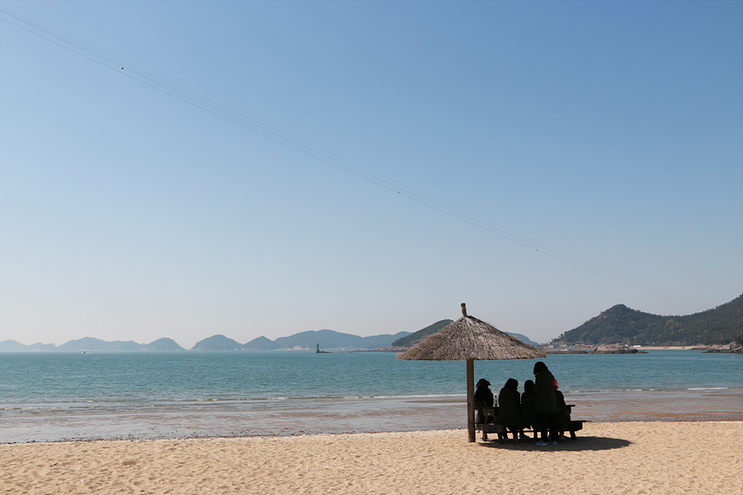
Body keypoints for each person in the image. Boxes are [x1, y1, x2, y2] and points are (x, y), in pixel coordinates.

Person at [532, 361, 558, 446]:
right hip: (552, 400)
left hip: (543, 401)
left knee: (543, 422)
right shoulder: (550, 375)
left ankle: (544, 439)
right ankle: (553, 439)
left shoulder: (540, 376)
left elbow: (536, 389)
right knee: (552, 421)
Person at [496, 378, 522, 443]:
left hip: (503, 416)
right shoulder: (516, 394)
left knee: (502, 421)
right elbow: (518, 404)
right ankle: (515, 437)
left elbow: (500, 403)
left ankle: (505, 437)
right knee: (515, 422)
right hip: (514, 416)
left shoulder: (503, 392)